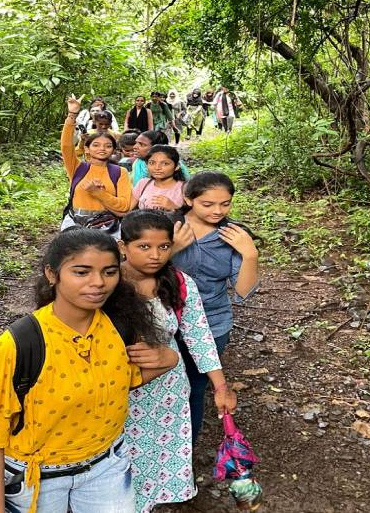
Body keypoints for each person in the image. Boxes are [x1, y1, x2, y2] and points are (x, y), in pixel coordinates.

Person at [0, 229, 179, 513]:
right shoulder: (20, 344)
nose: (98, 283)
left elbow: (119, 382)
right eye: (81, 272)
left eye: (109, 272)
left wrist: (169, 360)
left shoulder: (118, 326)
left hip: (107, 466)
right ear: (52, 274)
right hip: (37, 478)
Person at [119, 211, 237, 512]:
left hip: (167, 394)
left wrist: (220, 386)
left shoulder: (180, 283)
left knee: (158, 455)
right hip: (118, 391)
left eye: (163, 247)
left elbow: (198, 335)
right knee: (118, 462)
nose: (155, 255)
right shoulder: (105, 283)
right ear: (123, 247)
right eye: (144, 247)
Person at [171, 172, 259, 443]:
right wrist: (171, 248)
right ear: (188, 199)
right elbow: (141, 271)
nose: (218, 211)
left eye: (225, 204)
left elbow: (243, 291)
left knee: (196, 387)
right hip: (165, 321)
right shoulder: (168, 227)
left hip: (213, 322)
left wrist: (250, 254)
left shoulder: (232, 236)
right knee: (162, 385)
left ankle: (187, 448)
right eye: (207, 204)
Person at [60, 96, 132, 235]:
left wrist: (98, 193)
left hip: (107, 225)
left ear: (113, 149)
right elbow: (66, 146)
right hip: (75, 223)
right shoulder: (77, 168)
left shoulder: (119, 172)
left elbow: (124, 205)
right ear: (87, 149)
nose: (102, 149)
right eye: (96, 145)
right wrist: (72, 115)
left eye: (108, 146)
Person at [131, 145, 186, 212]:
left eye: (165, 163)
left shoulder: (184, 188)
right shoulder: (143, 183)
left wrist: (174, 207)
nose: (157, 168)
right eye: (152, 163)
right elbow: (127, 211)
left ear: (177, 166)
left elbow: (192, 219)